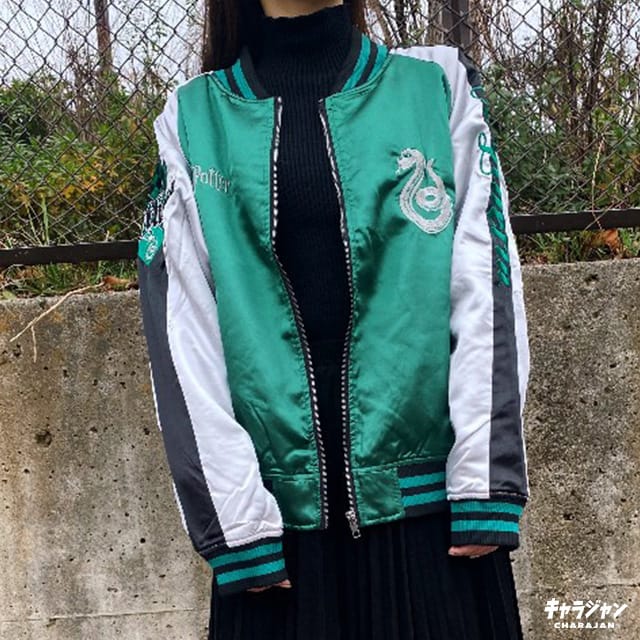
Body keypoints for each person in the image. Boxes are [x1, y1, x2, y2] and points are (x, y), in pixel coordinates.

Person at [136, 0, 531, 638]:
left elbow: (486, 282)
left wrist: (485, 481)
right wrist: (236, 526)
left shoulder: (436, 88)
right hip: (277, 546)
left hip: (433, 524)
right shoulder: (194, 118)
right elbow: (183, 329)